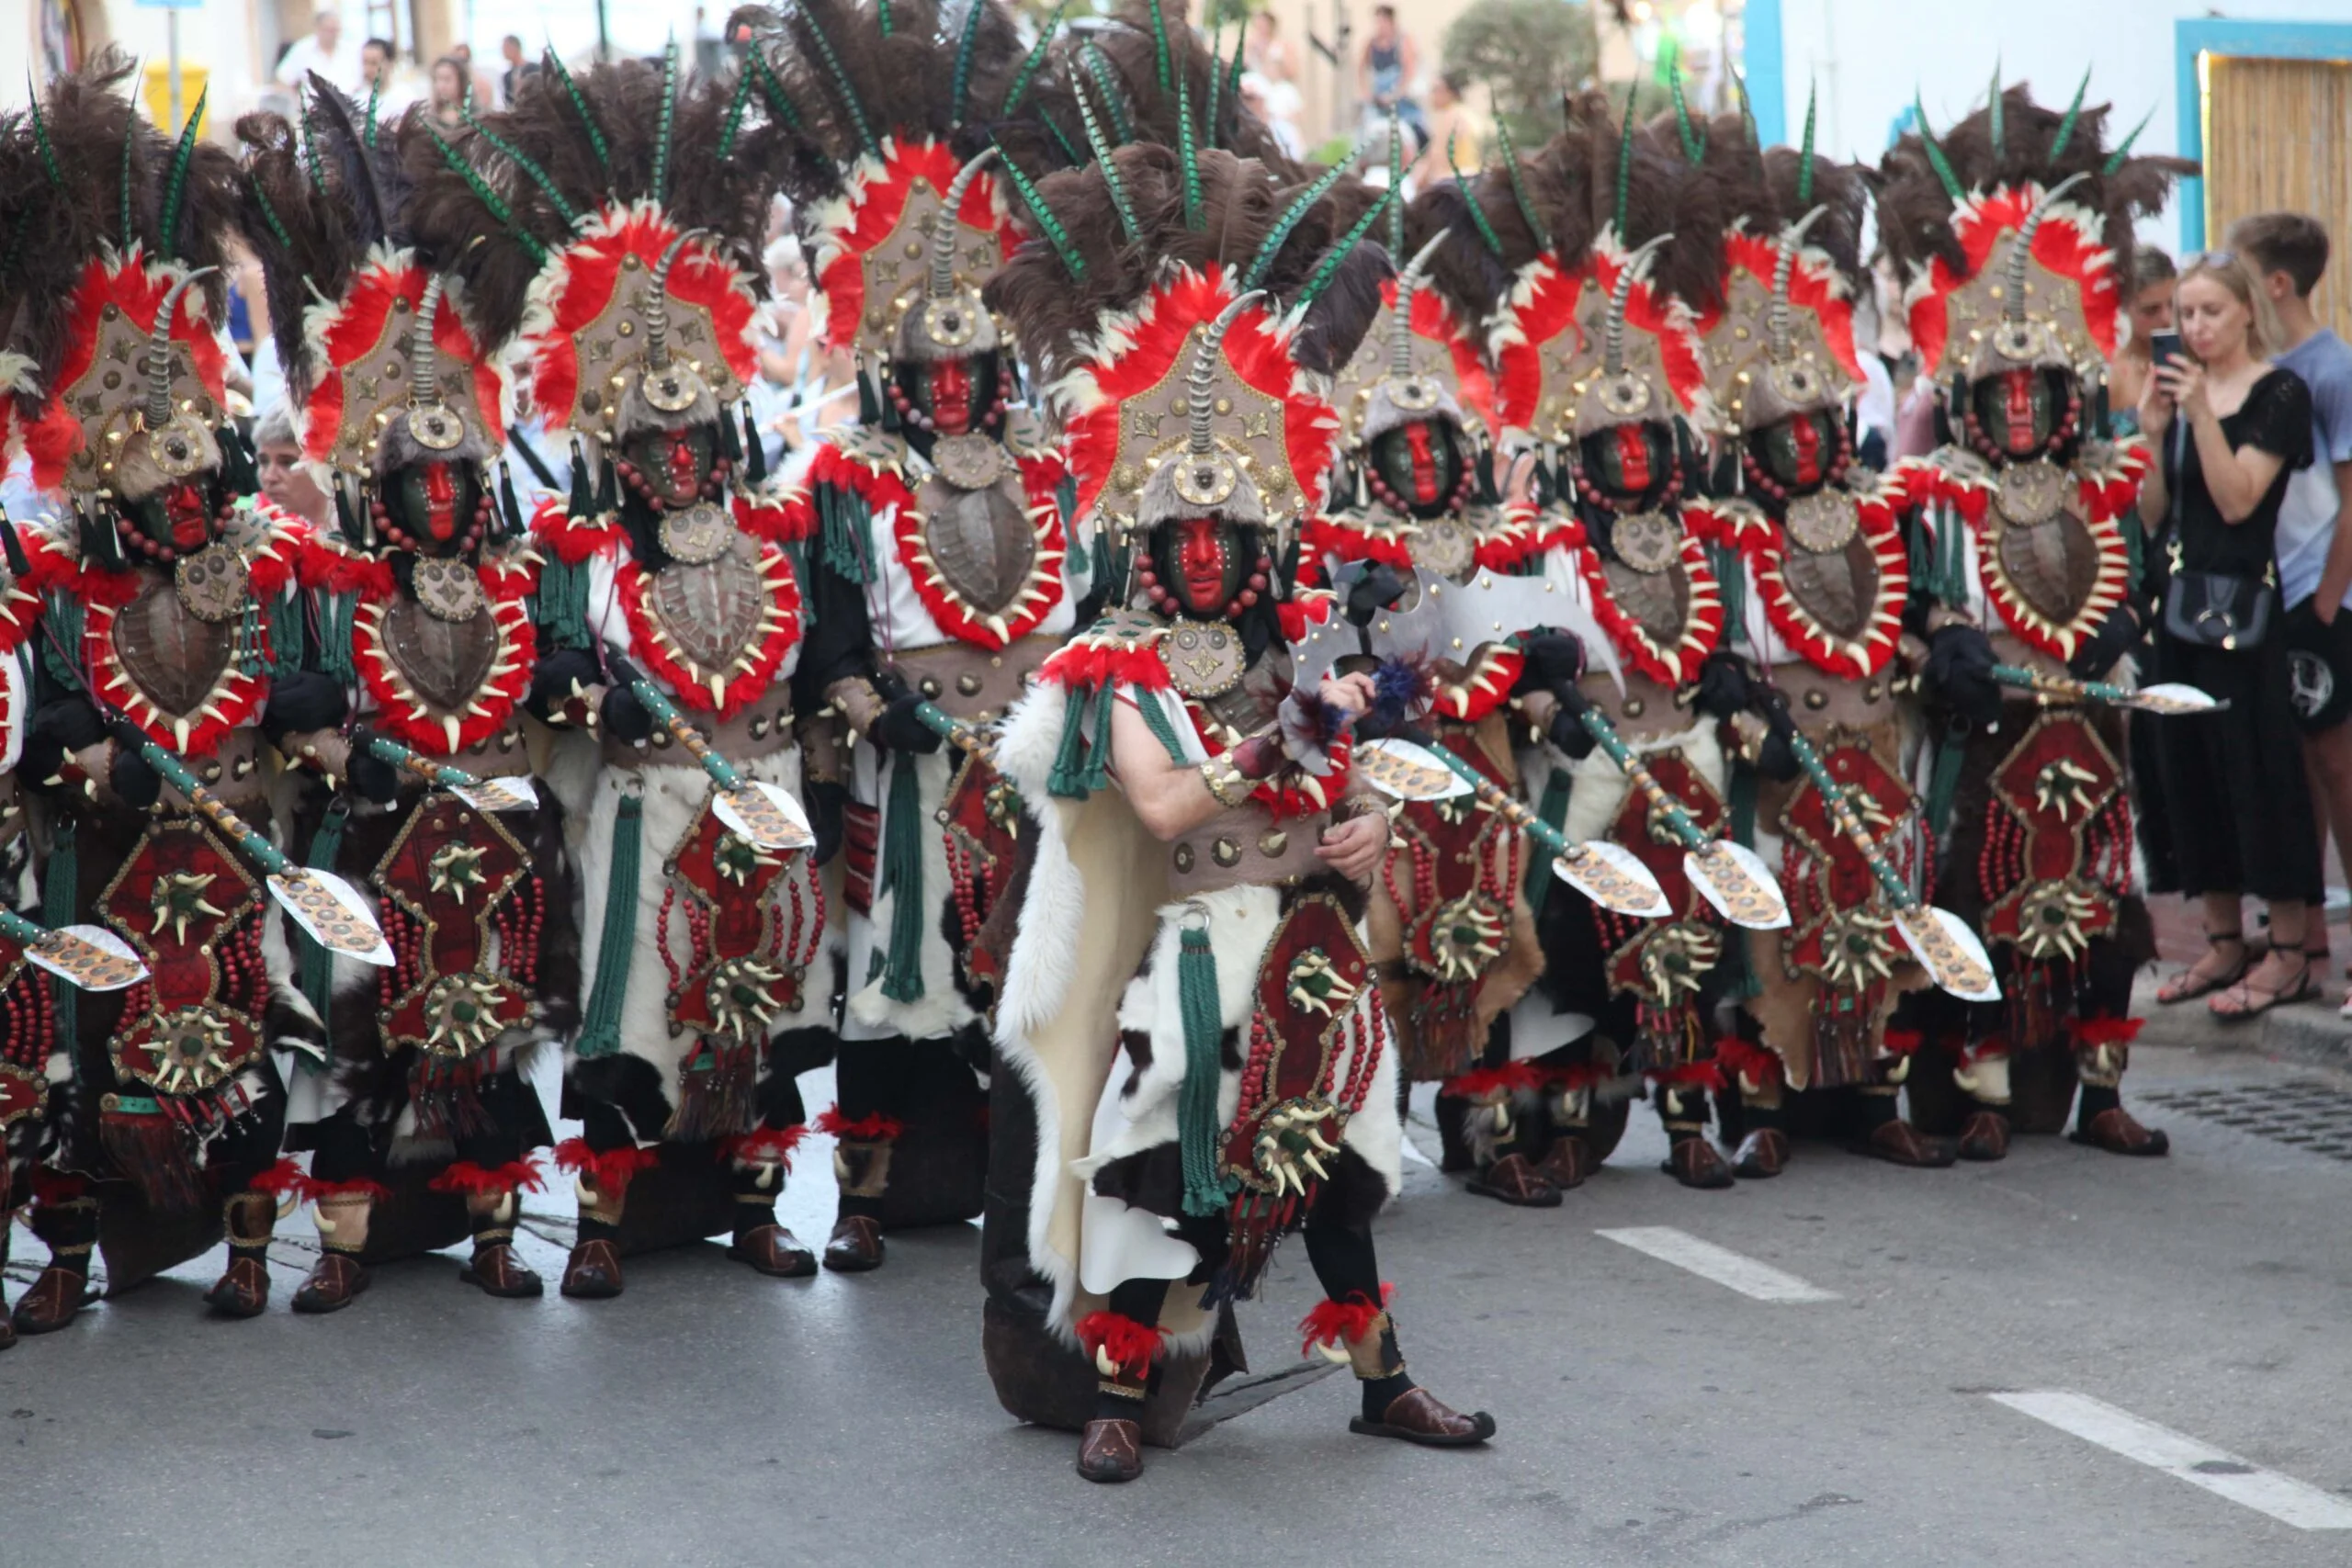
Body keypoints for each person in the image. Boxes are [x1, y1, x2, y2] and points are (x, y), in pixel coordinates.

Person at [980, 127, 1494, 1486]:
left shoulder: (1303, 641)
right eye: (1182, 538)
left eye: (1228, 537)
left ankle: (1380, 1380)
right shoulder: (1118, 660)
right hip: (1194, 949)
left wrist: (1368, 812)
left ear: (1259, 540)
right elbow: (1154, 807)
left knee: (1330, 1164)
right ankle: (1114, 1388)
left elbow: (1359, 766)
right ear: (1148, 547)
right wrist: (1279, 739)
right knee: (1160, 1159)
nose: (1207, 556)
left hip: (1311, 944)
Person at [434, 51, 828, 1300]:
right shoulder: (583, 550)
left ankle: (757, 1204)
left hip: (764, 793)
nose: (676, 462)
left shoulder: (781, 528)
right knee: (636, 1009)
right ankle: (602, 1215)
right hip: (645, 805)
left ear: (722, 434)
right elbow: (547, 661)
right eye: (651, 446)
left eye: (693, 439)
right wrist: (587, 698)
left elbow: (828, 645)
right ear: (618, 449)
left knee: (762, 999)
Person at [239, 85, 582, 1312]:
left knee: (490, 1027)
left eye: (454, 479)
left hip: (492, 832)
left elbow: (555, 674)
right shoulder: (324, 580)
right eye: (416, 481)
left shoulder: (515, 569)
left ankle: (494, 1226)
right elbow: (286, 699)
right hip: (374, 835)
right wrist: (336, 736)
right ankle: (340, 1240)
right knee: (353, 1037)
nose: (439, 497)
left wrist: (571, 678)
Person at [6, 54, 334, 1332]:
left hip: (239, 842)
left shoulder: (269, 557)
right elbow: (39, 713)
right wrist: (83, 756)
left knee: (252, 1038)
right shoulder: (59, 573)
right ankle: (68, 1251)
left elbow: (315, 685)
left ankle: (250, 1244)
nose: (184, 500)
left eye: (200, 475)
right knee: (80, 1061)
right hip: (106, 849)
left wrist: (312, 733)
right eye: (159, 486)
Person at [757, 0, 1082, 1272]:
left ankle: (1038, 1166)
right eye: (929, 375)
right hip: (913, 765)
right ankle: (869, 1190)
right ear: (897, 374)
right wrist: (869, 706)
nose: (951, 392)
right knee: (895, 981)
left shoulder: (1054, 465)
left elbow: (1100, 605)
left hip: (1047, 757)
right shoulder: (851, 476)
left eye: (971, 371)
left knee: (1046, 961)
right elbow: (829, 643)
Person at [1883, 84, 2188, 1155]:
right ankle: (1976, 1089)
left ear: (2065, 398)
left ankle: (2102, 1091)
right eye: (1998, 392)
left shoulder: (2104, 481)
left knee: (2107, 904)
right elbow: (1910, 606)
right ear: (1971, 402)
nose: (2018, 408)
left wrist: (2125, 632)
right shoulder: (1936, 490)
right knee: (1974, 899)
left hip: (2090, 728)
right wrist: (1945, 643)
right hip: (1985, 730)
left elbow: (2140, 576)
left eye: (2037, 391)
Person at [1690, 107, 1959, 1174]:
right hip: (1776, 761)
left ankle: (1868, 1099)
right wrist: (1732, 700)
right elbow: (1700, 642)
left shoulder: (1881, 510)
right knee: (1767, 930)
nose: (1804, 441)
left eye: (1818, 426)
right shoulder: (1723, 530)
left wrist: (1943, 644)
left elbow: (1924, 603)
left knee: (1883, 913)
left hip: (1876, 749)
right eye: (1781, 431)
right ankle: (1760, 1105)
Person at [2135, 251, 2322, 1019]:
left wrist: (2204, 417)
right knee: (2188, 771)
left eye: (2211, 312)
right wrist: (2153, 433)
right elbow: (2153, 513)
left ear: (2248, 309)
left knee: (2260, 772)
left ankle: (2288, 950)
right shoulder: (2180, 397)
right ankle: (2219, 936)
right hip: (2176, 607)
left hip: (2245, 612)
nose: (2195, 328)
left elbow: (2241, 499)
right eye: (2184, 315)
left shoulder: (2279, 392)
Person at [2227, 213, 2352, 1005]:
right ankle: (2302, 939)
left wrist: (2328, 601)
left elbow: (2350, 497)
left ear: (2274, 284)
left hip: (2322, 598)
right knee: (2295, 769)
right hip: (2274, 599)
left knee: (2339, 770)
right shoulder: (2267, 367)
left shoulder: (2331, 367)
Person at [2107, 248, 2177, 437]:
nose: (2166, 318)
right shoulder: (2114, 372)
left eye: (2173, 305)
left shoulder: (2196, 358)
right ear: (2124, 308)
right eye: (2150, 310)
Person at [253, 406, 328, 526]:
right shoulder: (250, 531)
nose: (269, 477)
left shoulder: (361, 531)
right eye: (263, 461)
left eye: (287, 462)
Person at [1406, 72, 1484, 186]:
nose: (1431, 95)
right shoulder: (1468, 115)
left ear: (1449, 93)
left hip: (1450, 182)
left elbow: (1436, 155)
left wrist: (1414, 185)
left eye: (1436, 90)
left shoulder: (1449, 117)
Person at [1359, 5, 1422, 141]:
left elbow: (1409, 71)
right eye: (1377, 22)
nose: (1379, 26)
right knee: (1370, 132)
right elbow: (1361, 69)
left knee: (1409, 133)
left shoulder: (1403, 41)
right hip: (1379, 99)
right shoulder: (1371, 43)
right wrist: (1367, 93)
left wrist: (1395, 95)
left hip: (1400, 99)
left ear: (1391, 22)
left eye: (1383, 22)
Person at [276, 6, 361, 93]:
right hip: (313, 104)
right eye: (328, 30)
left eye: (335, 30)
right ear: (318, 28)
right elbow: (284, 79)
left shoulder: (351, 50)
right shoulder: (302, 49)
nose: (332, 34)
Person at [426, 55, 469, 130]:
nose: (441, 86)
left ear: (461, 82)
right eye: (437, 79)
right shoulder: (430, 118)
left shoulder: (475, 116)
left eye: (447, 79)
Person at [499, 34, 537, 107]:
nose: (503, 51)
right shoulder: (507, 77)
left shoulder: (534, 69)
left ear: (514, 47)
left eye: (505, 47)